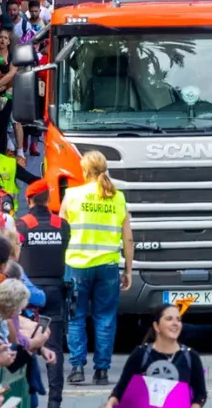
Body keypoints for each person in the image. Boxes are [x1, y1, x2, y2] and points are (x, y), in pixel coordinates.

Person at [63, 150, 132, 385]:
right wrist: (128, 270)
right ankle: (102, 371)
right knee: (105, 318)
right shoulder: (118, 198)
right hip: (108, 266)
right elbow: (128, 238)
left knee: (76, 317)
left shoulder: (72, 195)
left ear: (84, 170)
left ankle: (77, 368)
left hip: (77, 265)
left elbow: (62, 232)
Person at [16, 180, 69, 408]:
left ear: (28, 200)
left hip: (28, 293)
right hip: (55, 290)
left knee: (24, 344)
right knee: (54, 347)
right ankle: (54, 403)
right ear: (48, 199)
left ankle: (28, 398)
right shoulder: (62, 225)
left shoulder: (22, 225)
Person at [106, 305, 206, 408]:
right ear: (156, 326)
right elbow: (120, 390)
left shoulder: (191, 356)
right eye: (169, 319)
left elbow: (200, 394)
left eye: (178, 319)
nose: (175, 323)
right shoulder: (141, 354)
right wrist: (110, 403)